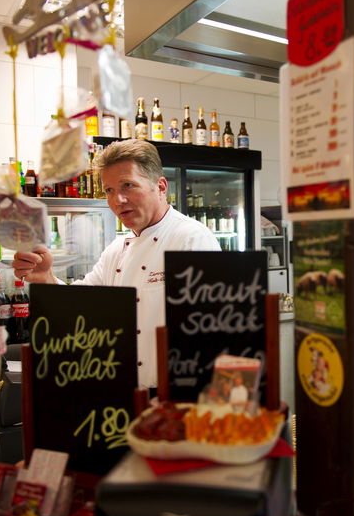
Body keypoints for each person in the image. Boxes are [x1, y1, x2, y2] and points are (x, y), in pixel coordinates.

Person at [12, 139, 220, 388]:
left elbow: (211, 331)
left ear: (161, 186)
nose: (117, 199)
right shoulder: (118, 248)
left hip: (177, 394)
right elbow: (85, 304)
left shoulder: (190, 238)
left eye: (128, 185)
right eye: (109, 190)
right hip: (125, 392)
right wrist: (44, 278)